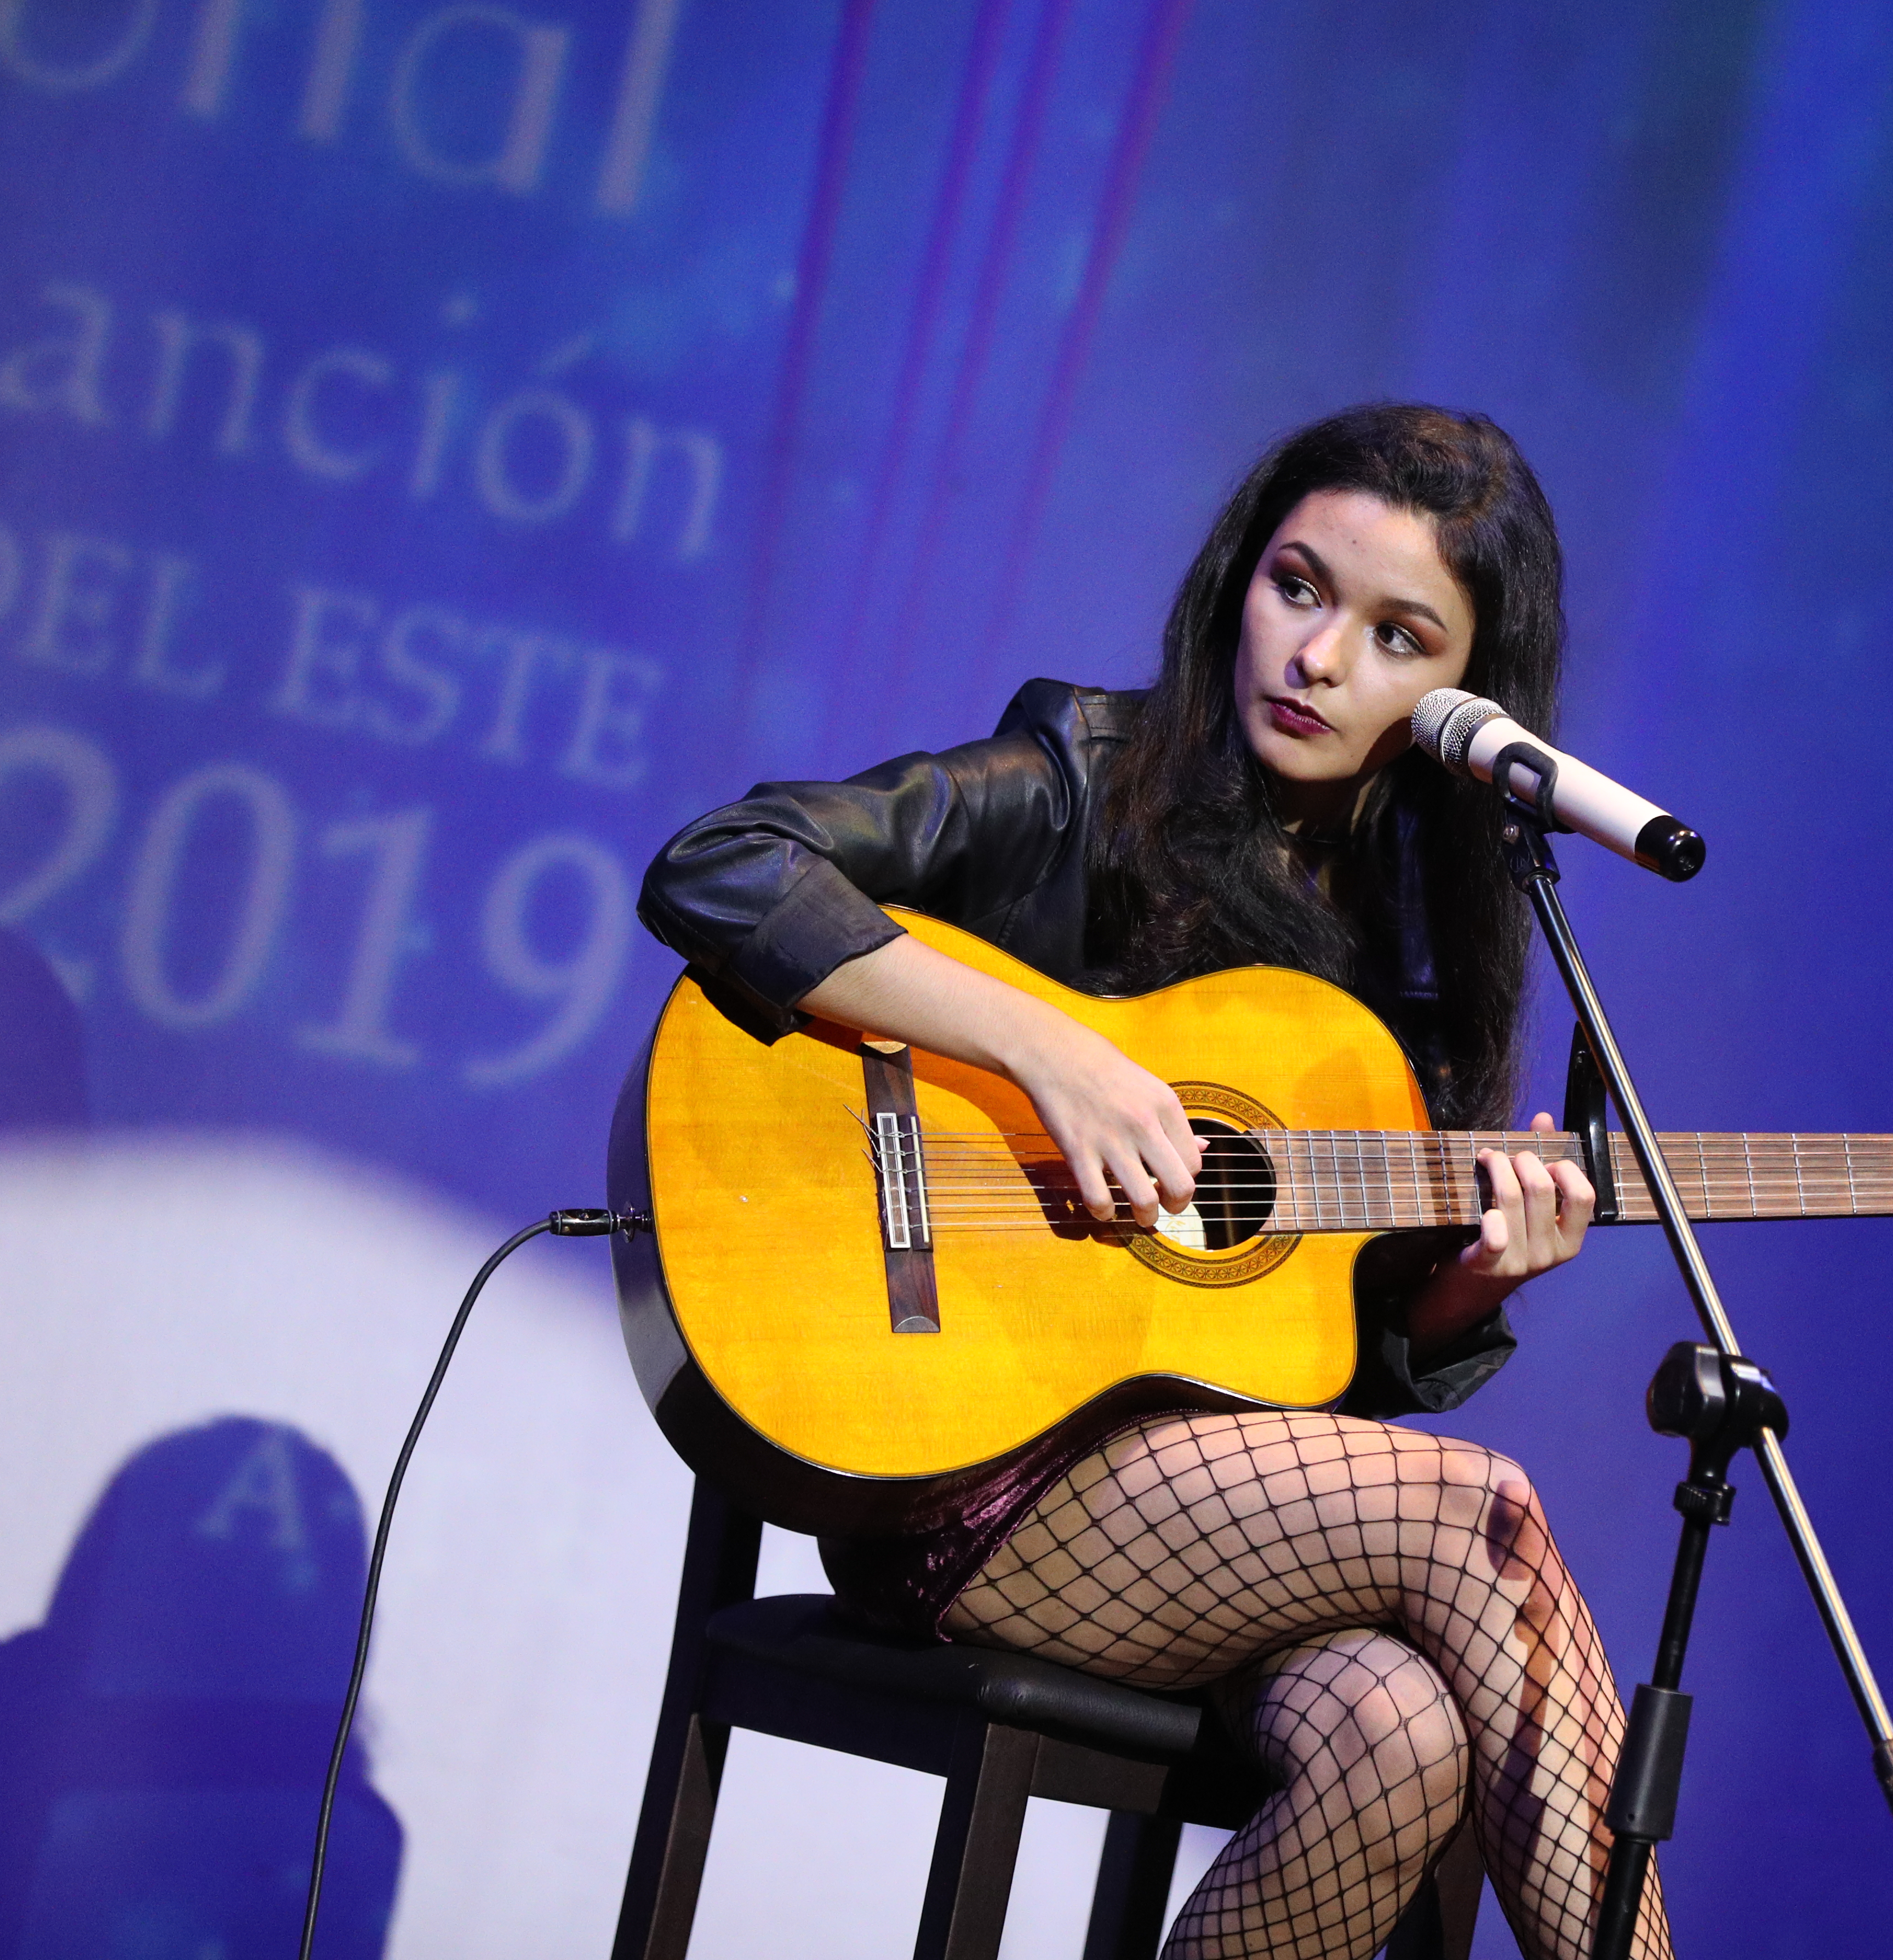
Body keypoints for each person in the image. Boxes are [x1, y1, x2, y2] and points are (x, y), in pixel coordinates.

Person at [638, 403, 1668, 1960]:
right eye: (1299, 587)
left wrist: (1470, 1285)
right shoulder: (1081, 772)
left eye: (1398, 637)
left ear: (1473, 700)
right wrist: (1049, 1051)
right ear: (1239, 576)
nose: (1319, 657)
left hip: (1203, 1519)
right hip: (963, 1473)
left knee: (1400, 1732)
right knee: (1485, 1520)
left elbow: (1313, 1366)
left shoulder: (1425, 933)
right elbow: (724, 864)